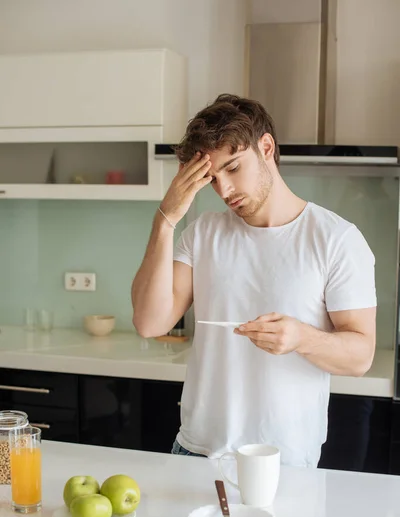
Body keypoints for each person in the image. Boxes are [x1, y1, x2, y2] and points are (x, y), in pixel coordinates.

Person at [131, 93, 376, 467]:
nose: (224, 191)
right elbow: (149, 323)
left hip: (283, 462)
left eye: (232, 168)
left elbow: (361, 356)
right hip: (196, 452)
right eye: (212, 179)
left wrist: (301, 337)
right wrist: (165, 219)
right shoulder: (203, 233)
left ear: (265, 147)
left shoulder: (336, 239)